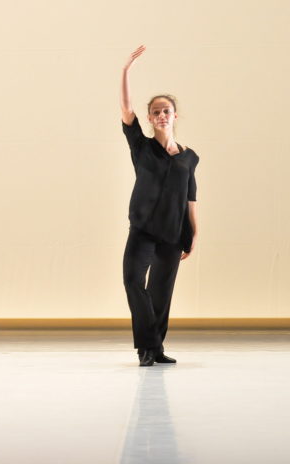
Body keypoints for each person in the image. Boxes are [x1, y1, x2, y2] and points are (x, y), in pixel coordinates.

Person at [120, 45, 199, 367]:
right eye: (156, 112)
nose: (161, 115)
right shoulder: (141, 147)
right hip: (142, 229)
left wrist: (194, 233)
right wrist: (125, 71)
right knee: (133, 282)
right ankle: (147, 346)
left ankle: (156, 349)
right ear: (150, 118)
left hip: (173, 233)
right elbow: (127, 109)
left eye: (166, 110)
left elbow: (190, 196)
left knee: (162, 292)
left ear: (174, 115)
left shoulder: (189, 157)